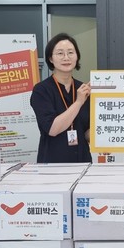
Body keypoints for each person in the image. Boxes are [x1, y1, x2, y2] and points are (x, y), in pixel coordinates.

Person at [31, 33, 92, 163]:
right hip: (53, 163)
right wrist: (79, 102)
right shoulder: (41, 90)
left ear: (77, 57)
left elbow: (86, 132)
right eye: (60, 53)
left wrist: (106, 136)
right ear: (50, 58)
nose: (66, 57)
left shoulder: (83, 89)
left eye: (70, 52)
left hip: (82, 161)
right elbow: (53, 129)